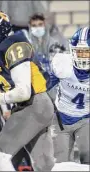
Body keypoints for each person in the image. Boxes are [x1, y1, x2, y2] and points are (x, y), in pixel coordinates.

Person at [0, 8, 54, 171]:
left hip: (33, 104)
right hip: (35, 106)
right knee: (45, 166)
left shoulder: (13, 46)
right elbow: (0, 81)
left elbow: (23, 92)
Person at [47, 27, 90, 164]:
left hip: (86, 119)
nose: (83, 57)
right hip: (61, 119)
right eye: (80, 52)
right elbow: (43, 88)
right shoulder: (62, 64)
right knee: (61, 164)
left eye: (87, 53)